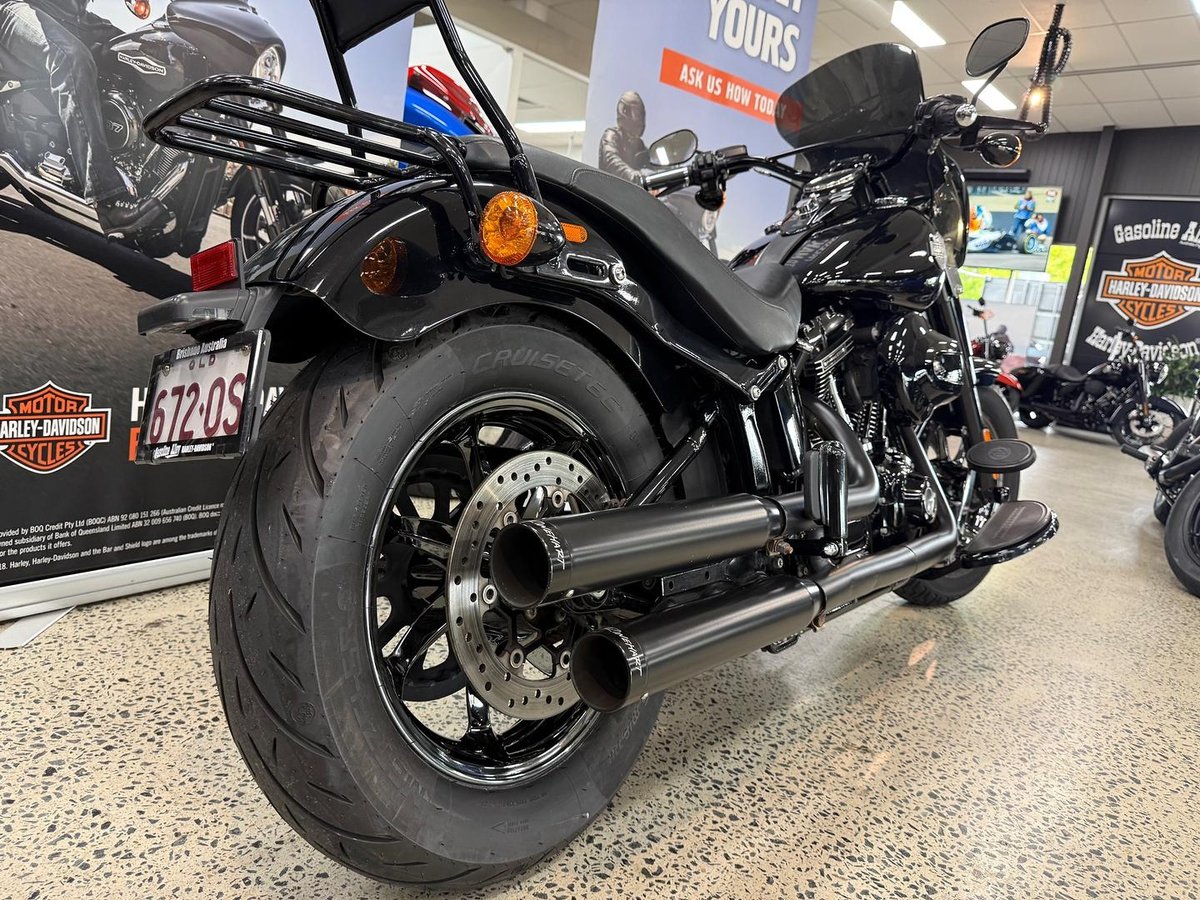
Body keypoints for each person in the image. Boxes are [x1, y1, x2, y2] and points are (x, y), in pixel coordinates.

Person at [0, 0, 164, 234]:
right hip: (17, 7)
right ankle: (106, 197)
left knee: (144, 50)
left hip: (74, 17)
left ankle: (152, 183)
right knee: (71, 58)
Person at [598, 91, 648, 186]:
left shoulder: (638, 144)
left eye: (641, 114)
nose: (640, 118)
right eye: (637, 113)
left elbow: (652, 162)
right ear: (625, 112)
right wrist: (632, 175)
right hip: (609, 190)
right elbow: (612, 160)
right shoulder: (611, 135)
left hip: (630, 191)